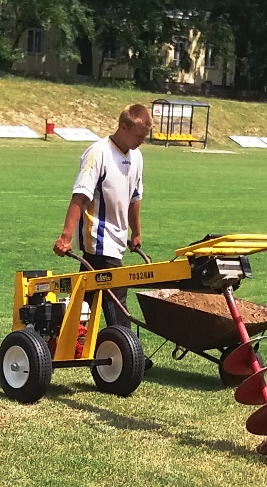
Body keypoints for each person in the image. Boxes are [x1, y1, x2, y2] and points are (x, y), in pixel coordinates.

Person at [53, 103, 153, 330]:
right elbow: (80, 196)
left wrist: (136, 232)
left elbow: (134, 198)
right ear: (123, 127)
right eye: (139, 135)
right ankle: (127, 355)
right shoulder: (98, 153)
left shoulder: (137, 157)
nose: (142, 141)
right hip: (98, 240)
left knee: (86, 298)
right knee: (116, 299)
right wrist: (65, 237)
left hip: (117, 241)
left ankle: (69, 340)